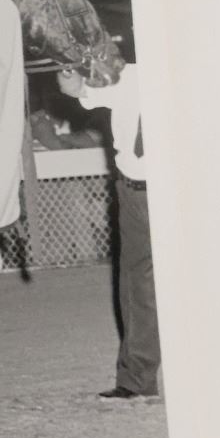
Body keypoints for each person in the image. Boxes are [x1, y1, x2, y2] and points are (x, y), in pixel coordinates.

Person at [59, 62, 159, 401]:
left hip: (184, 190)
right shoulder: (127, 75)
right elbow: (77, 89)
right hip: (135, 191)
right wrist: (67, 67)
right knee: (137, 284)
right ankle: (138, 380)